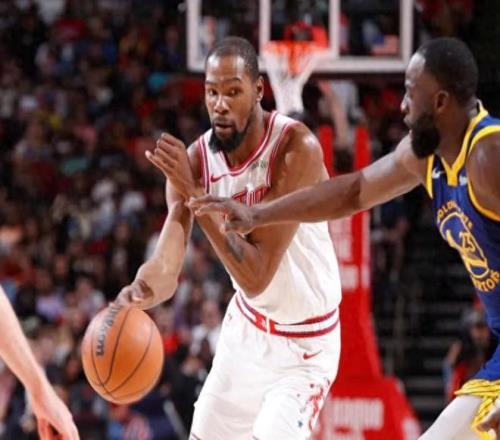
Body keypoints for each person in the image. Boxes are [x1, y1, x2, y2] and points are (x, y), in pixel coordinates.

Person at [190, 37, 500, 440]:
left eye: (411, 92)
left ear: (440, 102)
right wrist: (259, 213)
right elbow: (354, 191)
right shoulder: (425, 155)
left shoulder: (488, 158)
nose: (402, 105)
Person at [117, 36, 342, 439]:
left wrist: (195, 194)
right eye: (212, 92)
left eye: (233, 92)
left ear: (258, 90)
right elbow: (167, 264)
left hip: (305, 348)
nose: (220, 104)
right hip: (246, 334)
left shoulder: (296, 149)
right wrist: (139, 292)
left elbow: (257, 276)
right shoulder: (194, 162)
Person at [0, 286, 79, 439]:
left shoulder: (51, 370)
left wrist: (41, 393)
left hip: (40, 423)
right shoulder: (17, 373)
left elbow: (60, 398)